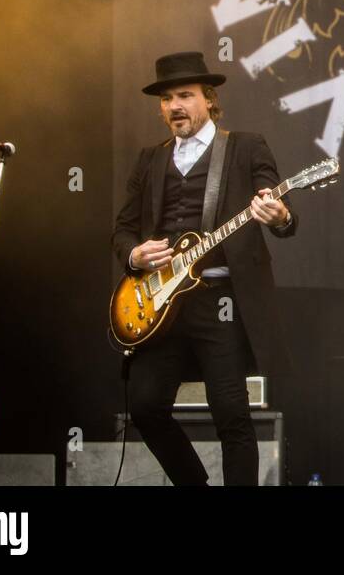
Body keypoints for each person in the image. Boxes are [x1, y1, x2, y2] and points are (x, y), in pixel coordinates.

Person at [113, 51, 298, 485]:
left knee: (232, 415)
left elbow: (281, 210)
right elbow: (122, 230)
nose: (174, 105)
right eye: (166, 99)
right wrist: (135, 255)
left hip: (220, 303)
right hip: (159, 304)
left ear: (209, 100)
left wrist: (280, 215)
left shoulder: (245, 147)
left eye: (185, 95)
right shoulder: (149, 159)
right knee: (144, 406)